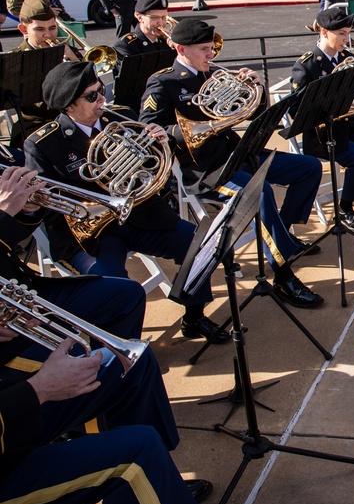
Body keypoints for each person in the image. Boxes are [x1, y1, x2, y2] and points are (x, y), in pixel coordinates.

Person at [0, 164, 213, 504]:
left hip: (17, 300)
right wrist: (40, 389)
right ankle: (115, 446)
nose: (101, 103)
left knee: (135, 356)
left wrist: (24, 210)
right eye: (93, 101)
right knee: (137, 448)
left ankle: (156, 471)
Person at [24, 61, 228, 343]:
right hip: (90, 234)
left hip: (140, 217)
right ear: (69, 106)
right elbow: (48, 203)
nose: (102, 99)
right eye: (92, 96)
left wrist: (158, 145)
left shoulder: (121, 118)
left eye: (101, 90)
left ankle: (193, 316)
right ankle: (123, 347)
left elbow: (152, 170)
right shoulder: (44, 143)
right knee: (115, 287)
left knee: (199, 245)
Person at [139, 19, 325, 308]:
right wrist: (178, 132)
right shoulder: (163, 82)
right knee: (258, 193)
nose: (211, 54)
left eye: (211, 48)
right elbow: (149, 128)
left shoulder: (213, 73)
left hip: (238, 154)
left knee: (309, 167)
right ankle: (283, 274)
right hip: (205, 170)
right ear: (181, 49)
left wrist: (257, 88)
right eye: (203, 50)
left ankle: (282, 231)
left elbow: (252, 113)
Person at [290, 6, 354, 235]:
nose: (347, 38)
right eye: (341, 33)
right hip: (323, 133)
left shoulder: (349, 59)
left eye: (347, 33)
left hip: (349, 125)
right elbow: (297, 110)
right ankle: (344, 209)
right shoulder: (306, 65)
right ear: (324, 32)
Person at [6, 0, 76, 150]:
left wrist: (75, 62)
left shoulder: (68, 52)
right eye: (40, 29)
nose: (48, 35)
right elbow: (36, 106)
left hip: (75, 122)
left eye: (52, 28)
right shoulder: (15, 60)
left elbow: (99, 89)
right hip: (39, 127)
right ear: (23, 29)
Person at [110, 0, 173, 73]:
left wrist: (179, 49)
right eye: (155, 17)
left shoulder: (167, 41)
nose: (161, 23)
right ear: (139, 17)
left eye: (164, 17)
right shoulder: (125, 45)